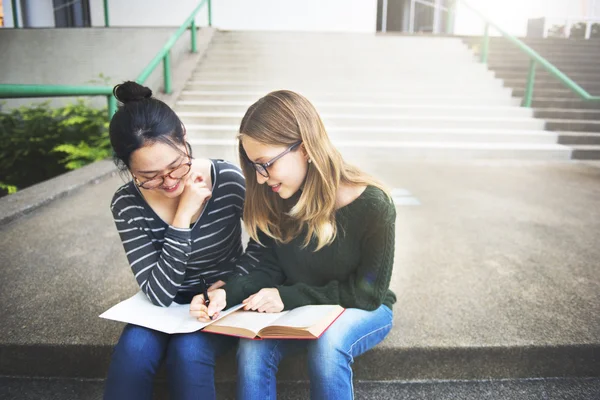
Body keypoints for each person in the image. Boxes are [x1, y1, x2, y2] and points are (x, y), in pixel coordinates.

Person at [190, 90, 397, 399]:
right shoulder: (278, 196)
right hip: (302, 310)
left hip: (363, 306)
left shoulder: (373, 205)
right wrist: (223, 293)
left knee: (328, 346)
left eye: (266, 164)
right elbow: (270, 268)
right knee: (252, 346)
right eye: (254, 167)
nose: (260, 179)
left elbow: (367, 293)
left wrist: (287, 296)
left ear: (304, 149)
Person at [104, 81, 261, 400]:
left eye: (176, 166)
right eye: (150, 177)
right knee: (133, 353)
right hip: (163, 306)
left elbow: (266, 245)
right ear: (128, 168)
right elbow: (159, 294)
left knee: (188, 352)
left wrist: (233, 285)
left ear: (184, 137)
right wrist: (182, 219)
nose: (170, 182)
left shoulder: (227, 180)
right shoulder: (127, 204)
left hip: (222, 302)